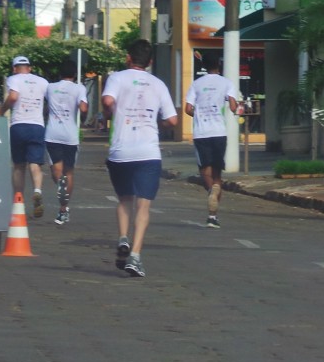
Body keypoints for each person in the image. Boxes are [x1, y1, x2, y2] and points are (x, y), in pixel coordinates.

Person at [101, 39, 178, 278]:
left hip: (121, 151)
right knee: (144, 205)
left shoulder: (116, 78)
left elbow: (107, 100)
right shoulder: (158, 84)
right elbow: (173, 120)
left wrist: (110, 112)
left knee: (124, 199)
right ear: (150, 62)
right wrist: (158, 122)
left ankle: (123, 237)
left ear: (127, 58)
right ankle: (135, 255)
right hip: (148, 152)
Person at [0, 55, 49, 218]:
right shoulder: (42, 82)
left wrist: (1, 111)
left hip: (19, 125)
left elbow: (14, 96)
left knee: (18, 165)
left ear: (14, 68)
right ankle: (37, 190)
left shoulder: (13, 79)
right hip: (37, 126)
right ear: (29, 68)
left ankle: (19, 201)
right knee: (35, 163)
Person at [184, 59, 238, 229]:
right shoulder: (227, 83)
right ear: (219, 66)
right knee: (217, 174)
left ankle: (210, 192)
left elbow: (187, 108)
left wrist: (198, 115)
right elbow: (233, 106)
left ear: (205, 68)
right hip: (219, 132)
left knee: (204, 171)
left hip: (202, 134)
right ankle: (213, 216)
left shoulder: (196, 83)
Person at [44, 59, 88, 225]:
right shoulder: (79, 88)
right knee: (69, 173)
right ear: (74, 75)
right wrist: (83, 116)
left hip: (52, 134)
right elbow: (83, 108)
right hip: (70, 136)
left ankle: (61, 192)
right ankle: (63, 209)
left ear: (60, 73)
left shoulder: (50, 87)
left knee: (57, 172)